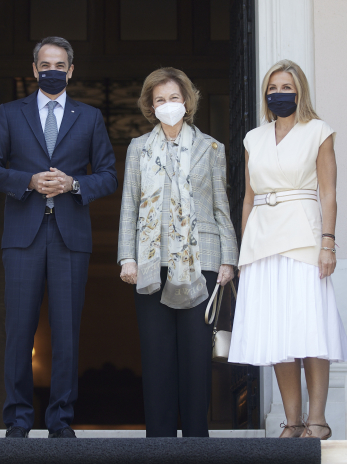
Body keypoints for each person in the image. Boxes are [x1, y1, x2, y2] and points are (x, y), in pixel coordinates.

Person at [0, 36, 117, 439]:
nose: (52, 71)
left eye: (60, 65)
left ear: (71, 71)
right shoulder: (10, 113)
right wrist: (28, 181)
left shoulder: (89, 117)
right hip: (22, 237)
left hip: (70, 238)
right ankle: (18, 419)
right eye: (45, 65)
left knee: (66, 331)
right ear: (34, 69)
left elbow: (108, 175)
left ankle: (60, 420)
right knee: (19, 331)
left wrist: (74, 184)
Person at [227, 60, 347, 440]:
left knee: (310, 327)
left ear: (300, 92)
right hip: (262, 241)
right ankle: (293, 421)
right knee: (278, 331)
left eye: (286, 88)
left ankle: (318, 421)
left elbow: (328, 192)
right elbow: (248, 198)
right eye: (273, 88)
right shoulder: (253, 138)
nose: (278, 94)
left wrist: (328, 243)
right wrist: (245, 251)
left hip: (304, 237)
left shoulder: (318, 131)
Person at [117, 67, 238, 437]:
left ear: (186, 101)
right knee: (157, 357)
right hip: (151, 263)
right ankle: (160, 442)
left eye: (173, 97)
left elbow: (221, 207)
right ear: (151, 106)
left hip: (201, 263)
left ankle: (196, 441)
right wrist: (127, 257)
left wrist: (229, 259)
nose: (168, 105)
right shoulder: (138, 148)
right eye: (160, 100)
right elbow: (129, 206)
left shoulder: (211, 148)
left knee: (196, 357)